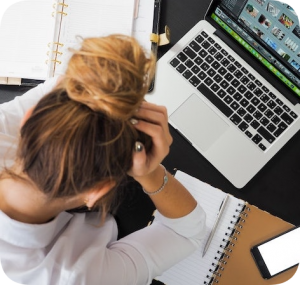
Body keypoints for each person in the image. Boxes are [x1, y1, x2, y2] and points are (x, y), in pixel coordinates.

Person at [0, 34, 206, 285]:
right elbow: (186, 233)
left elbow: (61, 85)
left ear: (27, 118)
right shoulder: (76, 278)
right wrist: (150, 174)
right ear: (97, 192)